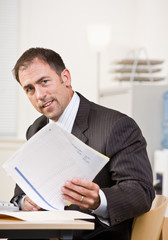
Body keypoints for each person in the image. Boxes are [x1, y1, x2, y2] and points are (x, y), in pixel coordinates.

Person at [11, 47, 155, 240]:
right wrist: (23, 202)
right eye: (29, 89)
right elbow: (21, 193)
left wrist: (98, 200)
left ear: (66, 78)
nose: (39, 95)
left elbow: (141, 191)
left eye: (44, 82)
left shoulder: (116, 126)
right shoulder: (36, 129)